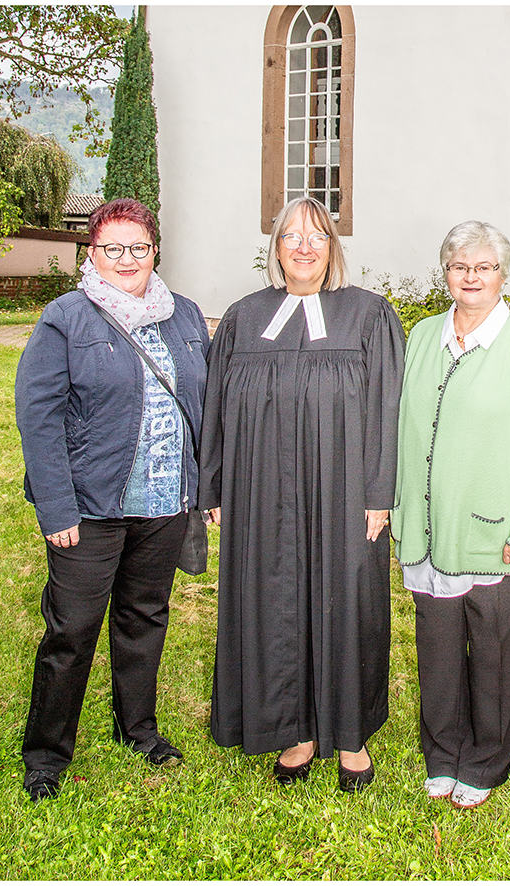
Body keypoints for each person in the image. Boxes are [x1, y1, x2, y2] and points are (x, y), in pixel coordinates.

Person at [198, 197, 405, 791]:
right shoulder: (242, 317)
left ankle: (349, 737)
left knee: (345, 602)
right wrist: (213, 484)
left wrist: (379, 492)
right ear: (276, 248)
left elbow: (388, 410)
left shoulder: (367, 316)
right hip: (261, 491)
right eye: (291, 235)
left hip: (344, 493)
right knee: (274, 601)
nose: (304, 246)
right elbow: (215, 408)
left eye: (317, 235)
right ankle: (294, 731)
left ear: (332, 247)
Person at [15, 198, 210, 801]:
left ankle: (139, 729)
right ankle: (47, 754)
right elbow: (38, 417)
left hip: (163, 502)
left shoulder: (185, 316)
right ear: (92, 254)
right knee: (72, 629)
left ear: (155, 251)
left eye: (138, 247)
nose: (127, 259)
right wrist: (56, 506)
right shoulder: (66, 318)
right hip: (89, 507)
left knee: (144, 619)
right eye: (112, 248)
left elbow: (205, 408)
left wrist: (202, 491)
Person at [390, 220, 510, 809]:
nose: (471, 277)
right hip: (429, 531)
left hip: (498, 536)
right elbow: (398, 431)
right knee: (438, 655)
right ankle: (442, 754)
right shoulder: (421, 338)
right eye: (460, 266)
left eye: (484, 267)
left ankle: (486, 760)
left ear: (502, 275)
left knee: (494, 658)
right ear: (445, 274)